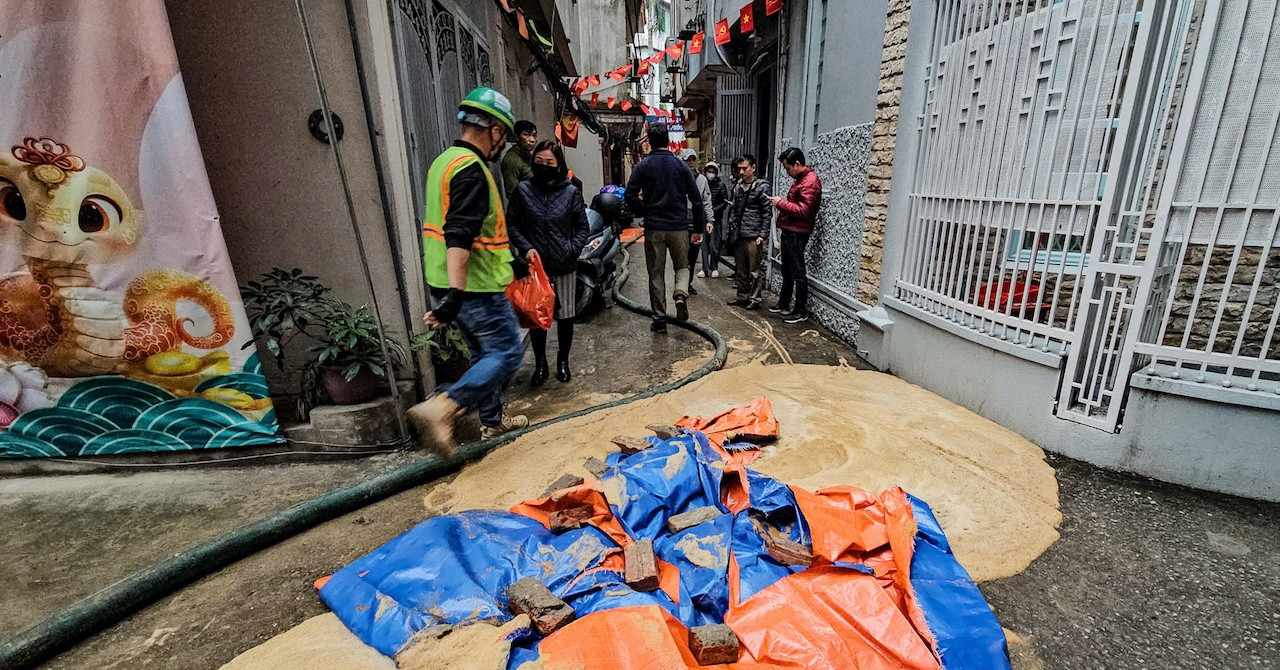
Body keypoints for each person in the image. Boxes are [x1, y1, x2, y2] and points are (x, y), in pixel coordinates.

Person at [407, 87, 529, 455]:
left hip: (447, 281)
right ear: (494, 131)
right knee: (507, 353)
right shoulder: (472, 171)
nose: (500, 144)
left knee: (482, 355)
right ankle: (444, 406)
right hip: (473, 287)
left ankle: (492, 422)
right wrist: (457, 295)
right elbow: (459, 233)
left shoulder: (444, 162)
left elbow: (463, 231)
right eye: (503, 135)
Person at [507, 140, 590, 386]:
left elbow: (582, 226)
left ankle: (562, 362)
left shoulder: (571, 191)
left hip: (564, 265)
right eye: (539, 162)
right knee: (537, 317)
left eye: (549, 163)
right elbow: (512, 224)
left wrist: (572, 249)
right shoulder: (523, 190)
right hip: (535, 267)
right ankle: (540, 363)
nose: (544, 167)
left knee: (565, 317)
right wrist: (526, 247)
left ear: (559, 165)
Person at [624, 125, 706, 334]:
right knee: (682, 265)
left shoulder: (642, 167)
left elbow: (629, 196)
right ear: (668, 140)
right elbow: (697, 200)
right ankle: (680, 294)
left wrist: (644, 212)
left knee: (656, 273)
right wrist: (698, 228)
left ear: (649, 142)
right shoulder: (680, 167)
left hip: (654, 228)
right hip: (679, 227)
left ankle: (659, 320)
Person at [768, 147, 823, 324]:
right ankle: (784, 303)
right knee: (787, 270)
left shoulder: (810, 181)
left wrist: (781, 204)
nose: (787, 172)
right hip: (790, 229)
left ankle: (800, 310)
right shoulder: (801, 179)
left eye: (787, 168)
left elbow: (804, 211)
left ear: (797, 164)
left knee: (798, 271)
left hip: (797, 232)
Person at [726, 154, 772, 310]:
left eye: (744, 168)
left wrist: (762, 235)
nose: (741, 172)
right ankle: (742, 296)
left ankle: (755, 298)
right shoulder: (738, 187)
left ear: (753, 168)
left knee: (755, 269)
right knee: (741, 268)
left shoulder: (761, 187)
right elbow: (734, 208)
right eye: (739, 169)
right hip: (740, 233)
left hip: (754, 234)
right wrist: (732, 225)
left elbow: (767, 213)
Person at [680, 149, 714, 293]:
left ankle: (688, 283)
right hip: (680, 222)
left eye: (693, 159)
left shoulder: (702, 180)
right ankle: (681, 285)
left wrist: (710, 220)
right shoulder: (678, 178)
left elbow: (707, 201)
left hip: (696, 221)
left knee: (693, 255)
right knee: (681, 256)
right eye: (688, 160)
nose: (691, 162)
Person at [701, 162, 729, 279]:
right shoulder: (702, 183)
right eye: (709, 171)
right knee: (704, 245)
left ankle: (714, 267)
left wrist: (714, 210)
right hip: (703, 218)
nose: (711, 174)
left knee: (714, 244)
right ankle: (705, 268)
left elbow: (725, 201)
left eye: (713, 172)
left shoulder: (720, 185)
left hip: (716, 218)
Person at [501, 119, 537, 203]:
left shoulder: (528, 156)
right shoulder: (511, 160)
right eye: (526, 135)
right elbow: (512, 194)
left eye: (534, 135)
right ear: (517, 137)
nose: (532, 139)